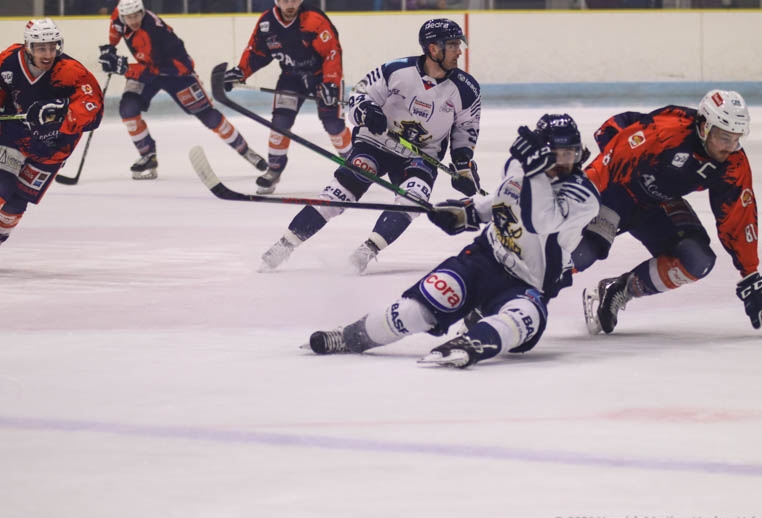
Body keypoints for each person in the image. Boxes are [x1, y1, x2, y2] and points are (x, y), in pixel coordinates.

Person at [306, 114, 599, 368]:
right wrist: (469, 212)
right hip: (483, 261)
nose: (566, 163)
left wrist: (536, 170)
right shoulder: (519, 166)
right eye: (558, 155)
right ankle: (347, 336)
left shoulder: (583, 196)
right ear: (542, 152)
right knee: (413, 312)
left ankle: (473, 342)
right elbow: (505, 197)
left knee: (523, 319)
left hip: (528, 285)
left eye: (571, 154)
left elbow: (541, 219)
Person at [258, 17, 482, 274]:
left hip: (421, 156)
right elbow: (359, 95)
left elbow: (466, 130)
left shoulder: (467, 89)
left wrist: (463, 168)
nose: (459, 51)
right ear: (433, 48)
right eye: (453, 45)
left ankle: (366, 251)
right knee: (339, 194)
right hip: (376, 144)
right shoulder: (395, 71)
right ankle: (283, 246)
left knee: (413, 201)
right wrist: (366, 112)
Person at [576, 90, 762, 335]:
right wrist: (575, 200)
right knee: (582, 254)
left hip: (657, 204)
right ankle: (527, 293)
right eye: (724, 137)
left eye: (736, 139)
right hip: (618, 194)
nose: (730, 148)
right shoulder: (665, 132)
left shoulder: (732, 163)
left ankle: (618, 290)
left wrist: (750, 274)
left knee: (697, 260)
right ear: (704, 126)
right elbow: (608, 163)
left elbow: (738, 216)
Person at [98, 0, 266, 180]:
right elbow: (115, 28)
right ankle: (147, 155)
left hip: (176, 73)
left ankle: (245, 150)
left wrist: (124, 68)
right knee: (128, 109)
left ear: (143, 12)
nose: (133, 21)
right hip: (146, 68)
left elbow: (155, 69)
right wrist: (111, 47)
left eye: (136, 16)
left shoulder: (154, 32)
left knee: (207, 115)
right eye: (128, 17)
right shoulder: (119, 15)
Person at [223, 0, 352, 195]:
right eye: (285, 0)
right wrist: (241, 72)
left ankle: (355, 165)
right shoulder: (267, 23)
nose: (290, 4)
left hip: (322, 76)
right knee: (280, 122)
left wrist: (331, 84)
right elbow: (257, 52)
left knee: (333, 123)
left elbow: (332, 53)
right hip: (291, 77)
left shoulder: (313, 21)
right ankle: (274, 168)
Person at [0, 18, 104, 247]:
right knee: (3, 186)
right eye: (40, 48)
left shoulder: (70, 71)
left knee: (17, 203)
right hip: (14, 135)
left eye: (52, 46)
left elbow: (92, 108)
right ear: (28, 47)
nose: (48, 53)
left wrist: (60, 119)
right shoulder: (8, 61)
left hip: (53, 146)